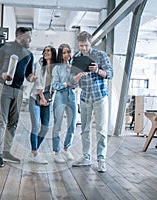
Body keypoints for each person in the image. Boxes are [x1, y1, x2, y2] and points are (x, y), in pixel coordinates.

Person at [0, 27, 37, 167]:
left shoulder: (29, 54)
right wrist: (2, 74)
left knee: (13, 122)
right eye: (28, 37)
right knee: (1, 121)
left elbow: (28, 75)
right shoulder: (4, 47)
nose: (30, 40)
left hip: (19, 90)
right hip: (3, 87)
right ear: (20, 35)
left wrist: (32, 78)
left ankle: (6, 151)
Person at [72, 31, 113, 173]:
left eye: (86, 45)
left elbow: (110, 74)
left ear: (91, 43)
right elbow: (72, 80)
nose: (83, 48)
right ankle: (86, 157)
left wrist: (98, 70)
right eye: (81, 45)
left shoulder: (100, 55)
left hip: (99, 96)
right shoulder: (76, 57)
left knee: (101, 129)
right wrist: (76, 77)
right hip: (84, 97)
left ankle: (101, 159)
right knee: (85, 129)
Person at [29, 46, 57, 164]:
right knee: (36, 126)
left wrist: (48, 99)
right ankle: (35, 153)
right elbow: (39, 82)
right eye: (44, 50)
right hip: (36, 97)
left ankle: (34, 151)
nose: (46, 52)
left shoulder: (56, 68)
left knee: (45, 128)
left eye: (48, 50)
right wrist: (42, 98)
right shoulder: (39, 64)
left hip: (47, 100)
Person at [51, 43, 77, 163]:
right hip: (60, 97)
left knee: (72, 125)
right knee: (58, 125)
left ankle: (66, 148)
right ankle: (56, 151)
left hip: (72, 96)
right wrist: (66, 84)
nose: (67, 55)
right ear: (61, 54)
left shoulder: (74, 67)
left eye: (68, 52)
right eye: (64, 52)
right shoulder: (57, 68)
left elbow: (75, 84)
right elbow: (55, 85)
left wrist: (76, 82)